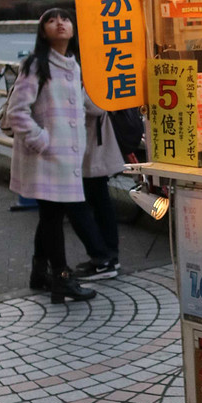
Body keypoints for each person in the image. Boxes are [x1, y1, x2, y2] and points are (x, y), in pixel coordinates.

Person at [7, 8, 112, 304]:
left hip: (66, 160)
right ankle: (61, 278)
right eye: (51, 20)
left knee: (51, 216)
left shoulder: (75, 65)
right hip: (46, 158)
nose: (60, 23)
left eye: (65, 19)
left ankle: (40, 274)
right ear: (43, 32)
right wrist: (43, 141)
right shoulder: (36, 65)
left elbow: (87, 106)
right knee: (53, 217)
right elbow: (17, 112)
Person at [74, 104, 125, 280]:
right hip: (94, 144)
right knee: (100, 200)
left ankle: (103, 259)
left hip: (93, 145)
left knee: (85, 203)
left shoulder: (88, 78)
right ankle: (109, 255)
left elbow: (97, 106)